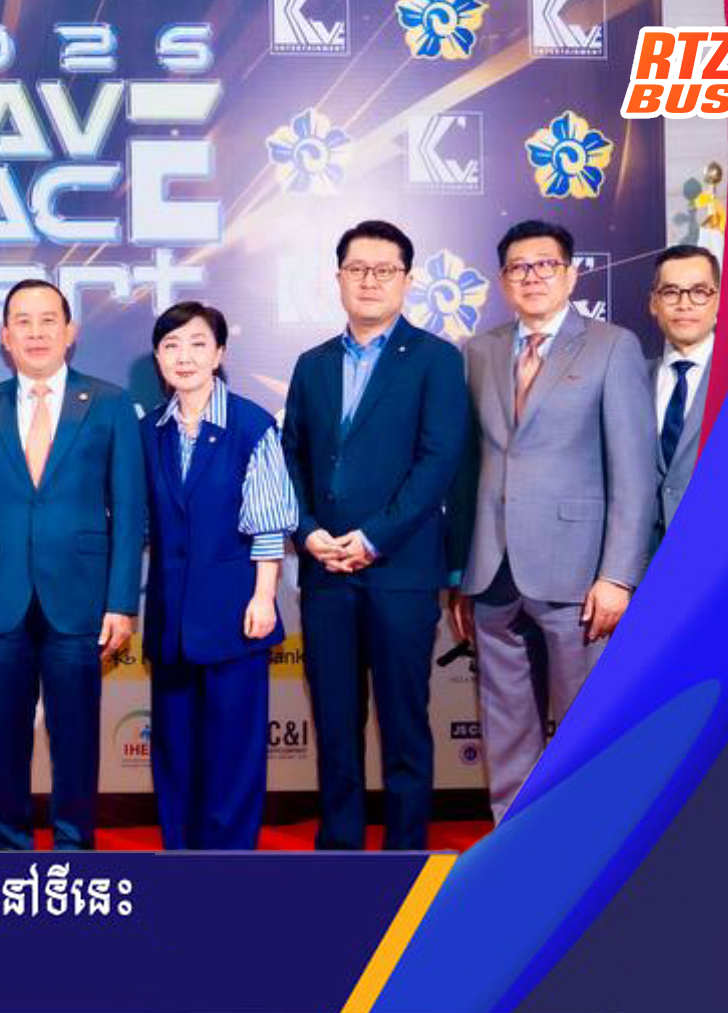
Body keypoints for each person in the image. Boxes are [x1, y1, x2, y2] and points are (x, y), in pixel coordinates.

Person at [449, 219, 658, 822]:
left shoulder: (612, 346)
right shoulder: (480, 351)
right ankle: (515, 839)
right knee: (506, 725)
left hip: (579, 574)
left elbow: (634, 471)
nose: (532, 277)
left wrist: (617, 575)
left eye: (546, 265)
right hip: (492, 570)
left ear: (571, 274)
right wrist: (461, 571)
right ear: (502, 280)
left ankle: (588, 842)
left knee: (584, 725)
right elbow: (468, 467)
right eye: (519, 267)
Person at [282, 219, 471, 851]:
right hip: (325, 572)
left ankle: (404, 855)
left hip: (400, 571)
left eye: (384, 270)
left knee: (403, 723)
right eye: (357, 269)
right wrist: (309, 532)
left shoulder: (436, 359)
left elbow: (437, 462)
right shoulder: (312, 364)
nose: (369, 281)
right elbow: (291, 459)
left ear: (406, 280)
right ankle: (340, 850)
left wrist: (372, 538)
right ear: (337, 278)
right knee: (335, 724)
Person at [0, 279, 146, 851]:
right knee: (3, 739)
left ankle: (74, 849)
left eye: (48, 320)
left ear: (70, 331)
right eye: (22, 322)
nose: (36, 332)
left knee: (75, 737)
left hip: (80, 599)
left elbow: (130, 510)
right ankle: (7, 848)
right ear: (4, 336)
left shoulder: (108, 404)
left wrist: (121, 602)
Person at [142, 301, 298, 850]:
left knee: (233, 750)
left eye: (197, 344)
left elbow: (269, 522)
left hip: (236, 613)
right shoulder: (148, 431)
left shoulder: (251, 425)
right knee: (174, 749)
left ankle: (229, 865)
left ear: (219, 353)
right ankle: (181, 858)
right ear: (158, 357)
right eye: (171, 345)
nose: (184, 356)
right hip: (170, 617)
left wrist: (263, 597)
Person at [649, 245, 719, 545]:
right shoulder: (630, 377)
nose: (684, 304)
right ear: (653, 303)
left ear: (719, 300)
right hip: (642, 559)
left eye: (699, 292)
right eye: (670, 292)